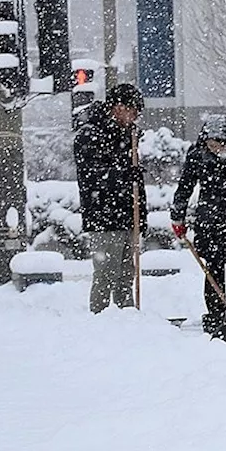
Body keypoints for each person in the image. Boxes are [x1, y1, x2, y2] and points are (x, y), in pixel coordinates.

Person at [169, 115, 226, 338]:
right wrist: (178, 217)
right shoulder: (198, 156)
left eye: (219, 143)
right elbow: (185, 187)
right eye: (211, 143)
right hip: (209, 223)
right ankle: (217, 313)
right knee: (213, 271)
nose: (215, 147)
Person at [74, 83, 146, 314]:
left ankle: (126, 316)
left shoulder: (129, 136)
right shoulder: (91, 134)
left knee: (127, 273)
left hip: (126, 215)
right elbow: (91, 177)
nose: (134, 117)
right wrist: (125, 175)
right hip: (104, 217)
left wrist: (141, 216)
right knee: (106, 274)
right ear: (117, 107)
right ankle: (100, 319)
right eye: (131, 111)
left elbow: (136, 183)